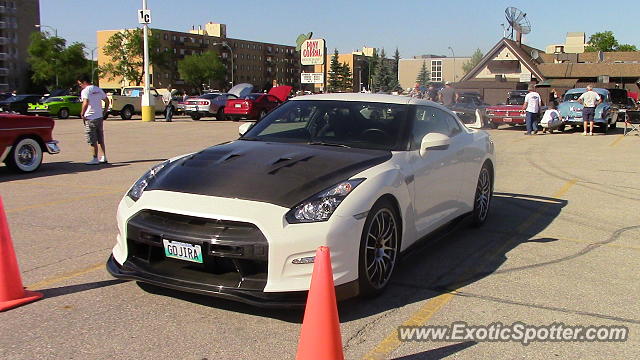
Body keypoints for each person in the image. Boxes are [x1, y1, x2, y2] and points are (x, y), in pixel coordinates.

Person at [77, 75, 110, 165]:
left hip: (90, 117)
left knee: (92, 139)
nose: (80, 86)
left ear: (84, 82)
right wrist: (104, 112)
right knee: (100, 138)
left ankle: (95, 158)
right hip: (99, 117)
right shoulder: (98, 89)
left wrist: (82, 113)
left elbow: (86, 102)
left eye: (80, 84)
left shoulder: (85, 91)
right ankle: (104, 157)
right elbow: (107, 101)